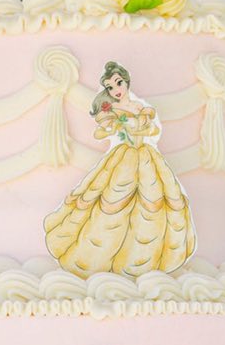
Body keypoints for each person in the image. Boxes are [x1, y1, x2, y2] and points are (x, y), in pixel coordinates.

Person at [44, 61, 194, 279]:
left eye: (118, 83)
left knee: (151, 201)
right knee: (113, 199)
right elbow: (100, 133)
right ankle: (102, 255)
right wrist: (110, 127)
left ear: (126, 81)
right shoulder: (111, 109)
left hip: (145, 154)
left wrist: (143, 123)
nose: (116, 90)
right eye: (110, 87)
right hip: (123, 157)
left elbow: (152, 127)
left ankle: (142, 258)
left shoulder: (139, 107)